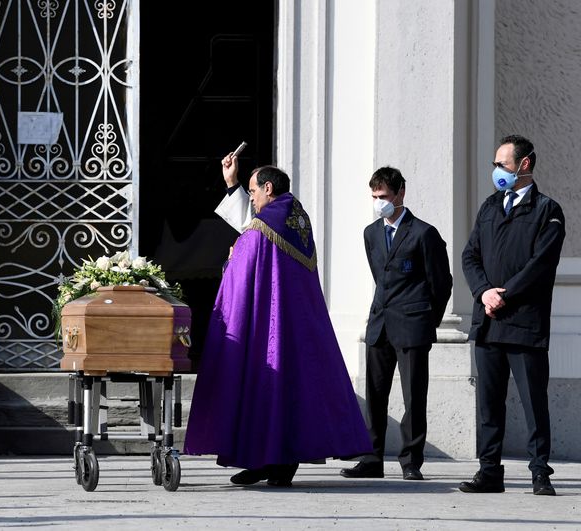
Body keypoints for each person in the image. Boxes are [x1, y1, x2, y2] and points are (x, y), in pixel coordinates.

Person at [183, 153, 371, 487]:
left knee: (265, 385)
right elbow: (254, 225)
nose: (251, 198)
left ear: (268, 189)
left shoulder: (263, 227)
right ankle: (274, 463)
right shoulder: (294, 216)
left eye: (254, 191)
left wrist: (231, 259)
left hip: (266, 324)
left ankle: (268, 461)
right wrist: (233, 183)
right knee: (286, 390)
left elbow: (245, 263)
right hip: (294, 323)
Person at [460, 135, 565, 495]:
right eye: (495, 164)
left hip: (524, 324)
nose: (496, 171)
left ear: (524, 165)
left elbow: (541, 264)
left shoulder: (547, 210)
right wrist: (483, 292)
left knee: (534, 402)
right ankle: (489, 471)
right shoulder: (490, 206)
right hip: (488, 322)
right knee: (489, 404)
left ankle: (540, 473)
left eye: (502, 164)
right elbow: (469, 255)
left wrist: (506, 294)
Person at [339, 167, 452, 481]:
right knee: (375, 395)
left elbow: (441, 283)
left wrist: (427, 320)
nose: (379, 203)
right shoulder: (371, 233)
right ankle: (372, 459)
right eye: (375, 197)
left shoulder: (424, 233)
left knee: (414, 395)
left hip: (412, 325)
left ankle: (411, 461)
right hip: (380, 325)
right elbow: (381, 278)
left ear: (401, 193)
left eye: (384, 196)